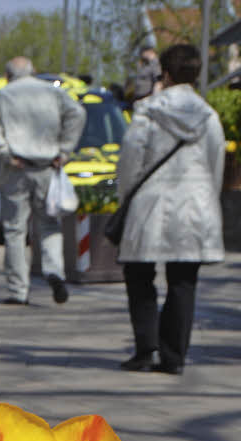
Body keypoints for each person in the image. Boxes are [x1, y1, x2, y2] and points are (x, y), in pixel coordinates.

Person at [117, 44, 224, 375]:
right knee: (184, 281)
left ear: (164, 73)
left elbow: (131, 161)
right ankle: (174, 355)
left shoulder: (147, 111)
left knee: (139, 277)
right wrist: (208, 196)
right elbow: (215, 163)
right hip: (194, 203)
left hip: (150, 201)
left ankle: (145, 349)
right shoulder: (208, 116)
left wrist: (126, 197)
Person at [0, 56, 85, 305]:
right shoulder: (52, 92)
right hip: (47, 166)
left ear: (8, 75)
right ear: (33, 71)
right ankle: (54, 272)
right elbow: (78, 113)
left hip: (16, 167)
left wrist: (4, 152)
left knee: (15, 230)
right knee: (49, 224)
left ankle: (18, 290)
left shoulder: (2, 95)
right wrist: (65, 149)